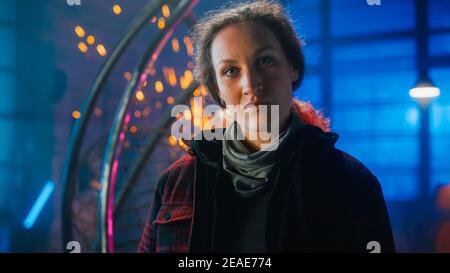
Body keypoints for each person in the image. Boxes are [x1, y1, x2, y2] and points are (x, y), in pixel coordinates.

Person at [138, 0, 395, 253]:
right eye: (230, 71)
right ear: (216, 89)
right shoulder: (177, 182)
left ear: (293, 68)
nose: (251, 84)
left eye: (265, 61)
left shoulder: (350, 183)